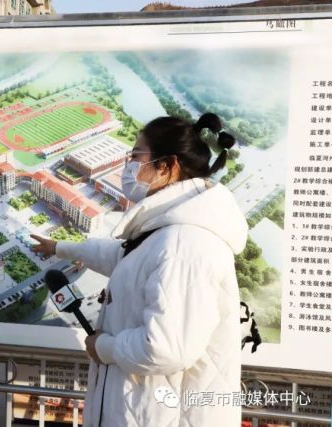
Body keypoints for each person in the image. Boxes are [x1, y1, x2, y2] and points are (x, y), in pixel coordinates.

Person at [31, 113, 247, 427]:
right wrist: (60, 248)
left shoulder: (183, 242)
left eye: (136, 156)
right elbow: (123, 258)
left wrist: (104, 347)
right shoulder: (166, 233)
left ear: (167, 166)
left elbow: (165, 347)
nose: (129, 166)